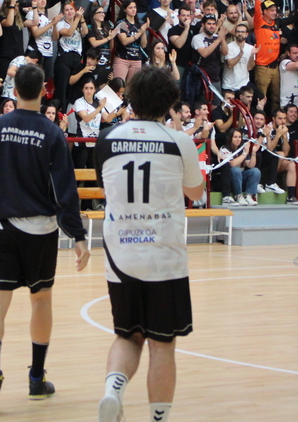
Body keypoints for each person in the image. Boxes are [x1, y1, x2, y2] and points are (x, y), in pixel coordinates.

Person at [0, 63, 90, 414]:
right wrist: (77, 236)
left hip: (0, 227)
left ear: (15, 90)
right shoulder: (52, 134)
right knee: (41, 301)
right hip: (40, 231)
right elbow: (65, 190)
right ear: (44, 92)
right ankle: (36, 378)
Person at [94, 65, 205, 422]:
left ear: (131, 98)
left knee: (128, 336)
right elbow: (196, 192)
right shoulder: (180, 142)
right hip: (164, 257)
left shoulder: (107, 139)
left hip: (120, 254)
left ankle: (112, 390)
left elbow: (105, 186)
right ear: (170, 102)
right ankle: (158, 417)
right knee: (162, 344)